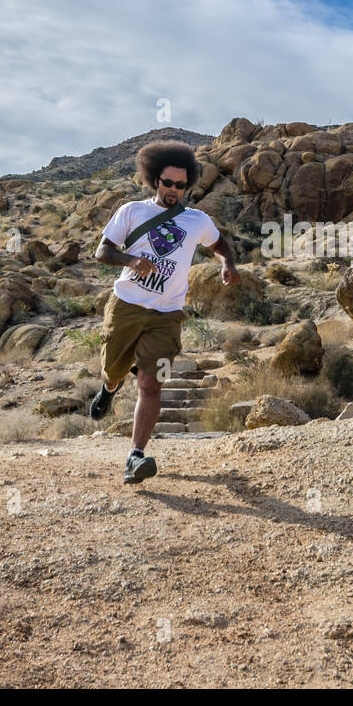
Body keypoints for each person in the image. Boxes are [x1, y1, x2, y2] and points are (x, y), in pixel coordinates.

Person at [89, 140, 238, 483]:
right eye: (167, 183)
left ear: (188, 186)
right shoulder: (132, 211)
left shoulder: (196, 220)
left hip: (167, 314)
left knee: (151, 384)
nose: (173, 190)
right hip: (126, 305)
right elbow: (102, 252)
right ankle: (109, 388)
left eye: (181, 185)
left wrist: (227, 264)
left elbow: (220, 244)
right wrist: (131, 260)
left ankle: (135, 455)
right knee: (113, 370)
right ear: (155, 180)